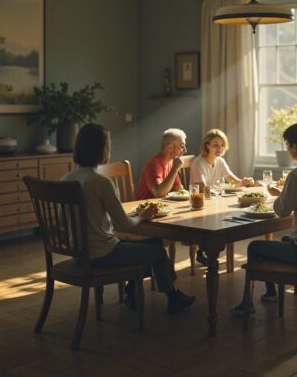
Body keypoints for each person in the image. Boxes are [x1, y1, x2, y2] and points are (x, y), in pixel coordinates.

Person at [62, 123, 194, 314]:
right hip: (102, 253)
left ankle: (132, 293)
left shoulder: (67, 178)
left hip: (78, 253)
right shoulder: (101, 182)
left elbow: (62, 220)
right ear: (102, 149)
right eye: (109, 144)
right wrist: (142, 216)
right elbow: (123, 224)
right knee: (156, 250)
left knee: (150, 250)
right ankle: (172, 297)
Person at [231, 123, 297, 315]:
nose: (287, 150)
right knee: (284, 241)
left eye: (287, 145)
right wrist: (285, 192)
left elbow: (281, 211)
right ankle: (270, 293)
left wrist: (278, 194)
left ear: (295, 147)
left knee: (255, 247)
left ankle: (250, 302)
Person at [190, 129, 255, 266]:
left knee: (228, 218)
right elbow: (202, 187)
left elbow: (232, 179)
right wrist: (218, 191)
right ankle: (205, 251)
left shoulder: (220, 161)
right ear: (207, 145)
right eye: (215, 145)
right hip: (200, 203)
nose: (219, 148)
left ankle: (210, 251)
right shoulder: (198, 162)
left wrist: (244, 181)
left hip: (215, 200)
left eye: (221, 145)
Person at [136, 128, 187, 200]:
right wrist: (175, 169)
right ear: (170, 147)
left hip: (163, 206)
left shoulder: (172, 162)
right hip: (144, 208)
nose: (185, 150)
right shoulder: (153, 164)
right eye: (182, 146)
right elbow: (159, 193)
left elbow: (178, 188)